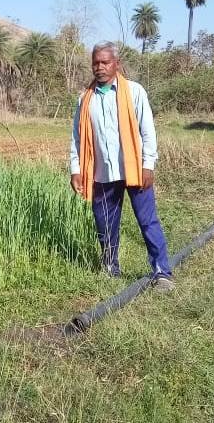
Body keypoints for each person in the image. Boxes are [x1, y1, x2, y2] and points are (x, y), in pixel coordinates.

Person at [69, 41, 175, 291]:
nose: (100, 67)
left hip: (134, 170)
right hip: (101, 173)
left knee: (147, 221)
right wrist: (76, 169)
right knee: (105, 224)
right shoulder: (85, 99)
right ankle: (110, 268)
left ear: (116, 64)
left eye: (105, 62)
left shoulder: (134, 92)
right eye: (96, 62)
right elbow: (77, 138)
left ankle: (162, 272)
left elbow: (147, 131)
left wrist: (148, 165)